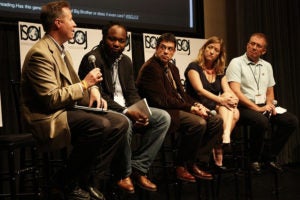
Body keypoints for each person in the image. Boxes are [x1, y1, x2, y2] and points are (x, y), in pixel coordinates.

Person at [21, 1, 129, 200]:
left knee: (120, 122)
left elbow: (75, 87)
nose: (75, 24)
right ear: (58, 23)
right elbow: (51, 99)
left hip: (65, 110)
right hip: (48, 118)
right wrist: (86, 85)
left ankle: (87, 178)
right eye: (71, 19)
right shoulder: (40, 53)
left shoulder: (62, 50)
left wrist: (93, 89)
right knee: (99, 124)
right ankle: (64, 181)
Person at [78, 22, 171, 193]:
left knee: (163, 118)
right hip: (106, 111)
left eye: (121, 41)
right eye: (112, 39)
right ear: (104, 38)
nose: (116, 44)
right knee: (125, 122)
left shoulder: (126, 61)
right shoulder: (92, 59)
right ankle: (123, 173)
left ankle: (139, 168)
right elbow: (100, 96)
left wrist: (140, 111)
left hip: (127, 108)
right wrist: (128, 112)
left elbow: (131, 91)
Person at [136, 33, 223, 182]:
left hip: (175, 108)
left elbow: (181, 95)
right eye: (163, 47)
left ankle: (195, 162)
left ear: (174, 51)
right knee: (198, 123)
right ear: (156, 48)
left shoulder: (172, 68)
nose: (166, 52)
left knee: (216, 120)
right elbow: (162, 100)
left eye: (170, 49)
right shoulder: (151, 68)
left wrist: (197, 104)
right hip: (160, 111)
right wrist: (191, 109)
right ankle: (181, 165)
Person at [226, 32, 299, 173]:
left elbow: (270, 91)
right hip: (244, 106)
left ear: (263, 51)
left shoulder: (267, 66)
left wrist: (270, 105)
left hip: (263, 105)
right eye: (251, 43)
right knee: (261, 121)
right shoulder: (236, 62)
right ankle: (253, 159)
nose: (253, 47)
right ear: (247, 45)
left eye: (258, 45)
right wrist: (257, 108)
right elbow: (235, 91)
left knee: (291, 121)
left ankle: (268, 156)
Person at [184, 36, 240, 170]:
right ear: (204, 49)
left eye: (216, 50)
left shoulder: (220, 71)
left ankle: (223, 137)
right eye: (209, 47)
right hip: (198, 106)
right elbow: (199, 90)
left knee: (235, 109)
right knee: (233, 113)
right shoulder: (194, 67)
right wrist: (222, 99)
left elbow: (227, 90)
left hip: (214, 106)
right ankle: (219, 144)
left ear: (219, 55)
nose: (211, 52)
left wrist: (233, 98)